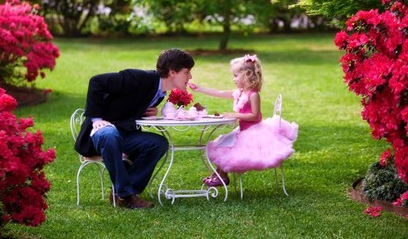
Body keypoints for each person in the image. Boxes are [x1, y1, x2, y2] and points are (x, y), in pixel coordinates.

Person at [75, 48, 195, 208]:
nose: (190, 77)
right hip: (100, 131)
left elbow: (128, 106)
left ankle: (124, 192)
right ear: (172, 72)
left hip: (124, 134)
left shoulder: (159, 92)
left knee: (158, 143)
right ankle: (126, 196)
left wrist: (149, 111)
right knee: (110, 134)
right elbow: (96, 81)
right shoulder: (139, 78)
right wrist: (97, 119)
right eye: (187, 72)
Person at [189, 54, 298, 187]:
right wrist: (200, 89)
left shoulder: (253, 95)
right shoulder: (240, 92)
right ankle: (219, 175)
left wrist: (235, 115)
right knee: (222, 145)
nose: (234, 79)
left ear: (247, 75)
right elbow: (220, 92)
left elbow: (255, 116)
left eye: (236, 75)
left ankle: (221, 176)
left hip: (254, 132)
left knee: (230, 149)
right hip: (242, 130)